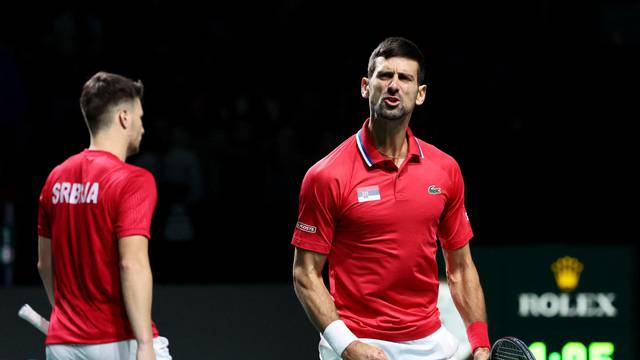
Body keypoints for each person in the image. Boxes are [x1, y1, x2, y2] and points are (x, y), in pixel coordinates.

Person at [291, 37, 491, 360]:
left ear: (420, 94)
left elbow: (461, 267)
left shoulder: (445, 170)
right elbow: (305, 273)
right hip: (357, 339)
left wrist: (480, 342)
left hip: (429, 343)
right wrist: (347, 345)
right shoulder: (326, 175)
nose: (394, 85)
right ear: (365, 87)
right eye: (384, 76)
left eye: (405, 78)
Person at [37, 71, 171, 360]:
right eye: (140, 117)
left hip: (61, 343)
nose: (142, 128)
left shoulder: (55, 178)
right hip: (118, 340)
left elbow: (44, 263)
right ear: (124, 117)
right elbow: (131, 263)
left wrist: (64, 317)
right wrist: (145, 344)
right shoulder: (133, 180)